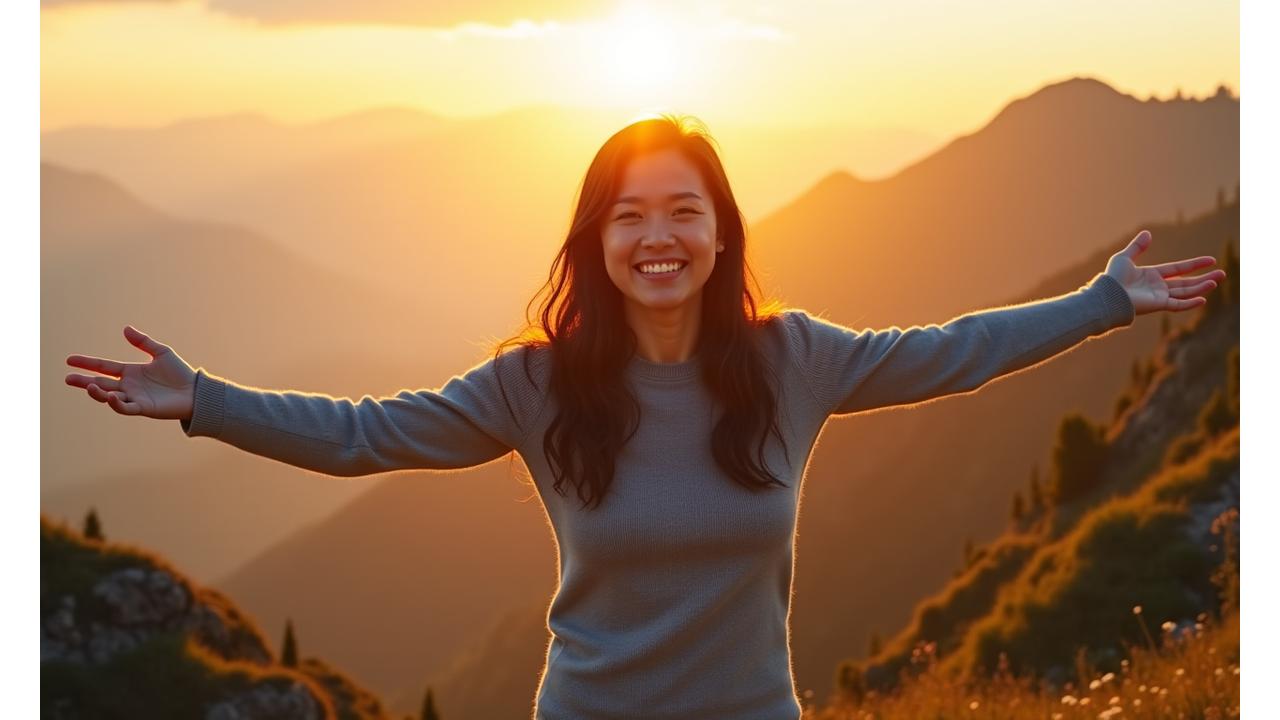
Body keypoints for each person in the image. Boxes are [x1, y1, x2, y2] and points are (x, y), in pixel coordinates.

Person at [65, 114, 1225, 719]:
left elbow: (955, 354)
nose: (656, 237)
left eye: (682, 212)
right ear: (596, 242)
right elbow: (365, 432)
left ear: (719, 234)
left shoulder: (792, 361)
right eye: (627, 216)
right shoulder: (536, 383)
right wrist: (203, 402)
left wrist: (1097, 305)